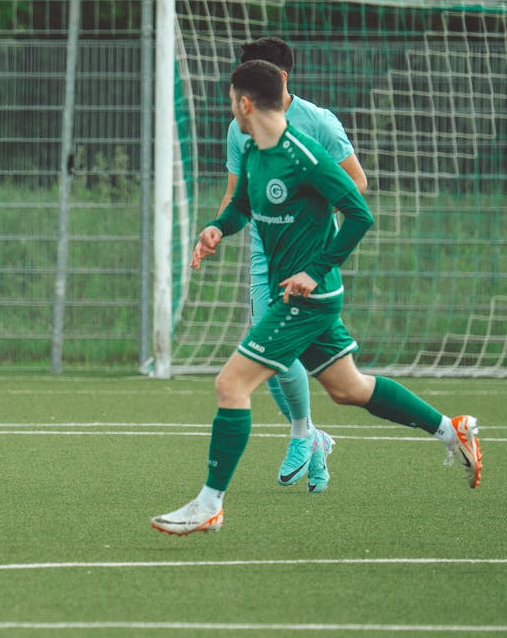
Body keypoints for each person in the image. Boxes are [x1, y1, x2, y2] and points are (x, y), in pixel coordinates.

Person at [150, 60, 480, 537]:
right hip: (298, 294)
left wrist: (313, 270)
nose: (231, 110)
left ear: (245, 103)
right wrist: (216, 229)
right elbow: (242, 204)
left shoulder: (304, 156)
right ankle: (453, 431)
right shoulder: (255, 152)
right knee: (349, 389)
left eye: (231, 101)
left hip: (308, 298)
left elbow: (359, 213)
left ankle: (209, 505)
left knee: (231, 386)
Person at [222, 37, 368, 494]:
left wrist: (319, 248)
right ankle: (310, 436)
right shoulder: (240, 126)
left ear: (280, 78)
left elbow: (356, 186)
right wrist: (214, 229)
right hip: (267, 251)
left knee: (275, 354)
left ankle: (305, 434)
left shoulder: (318, 123)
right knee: (267, 353)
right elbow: (236, 195)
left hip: (309, 257)